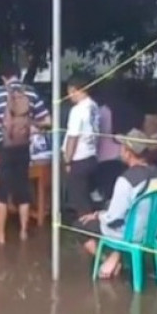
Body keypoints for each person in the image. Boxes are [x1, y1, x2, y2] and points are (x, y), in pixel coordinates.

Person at [78, 129, 157, 279]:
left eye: (122, 147)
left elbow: (113, 219)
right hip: (152, 231)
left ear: (128, 153)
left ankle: (108, 260)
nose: (120, 150)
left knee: (80, 226)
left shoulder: (126, 180)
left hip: (129, 234)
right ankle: (116, 256)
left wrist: (98, 216)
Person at [0, 63, 51, 243]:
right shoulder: (31, 92)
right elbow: (47, 120)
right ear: (18, 74)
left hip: (2, 147)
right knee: (23, 188)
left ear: (4, 77)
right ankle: (23, 232)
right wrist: (30, 125)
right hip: (23, 147)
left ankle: (1, 236)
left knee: (1, 191)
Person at [63, 75, 100, 217]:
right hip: (91, 154)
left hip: (79, 158)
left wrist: (67, 160)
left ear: (74, 90)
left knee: (80, 200)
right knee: (87, 196)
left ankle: (87, 234)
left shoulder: (77, 110)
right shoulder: (94, 106)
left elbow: (73, 137)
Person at [94, 103, 124, 201]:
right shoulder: (114, 110)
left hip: (104, 155)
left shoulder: (100, 111)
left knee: (108, 187)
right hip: (117, 153)